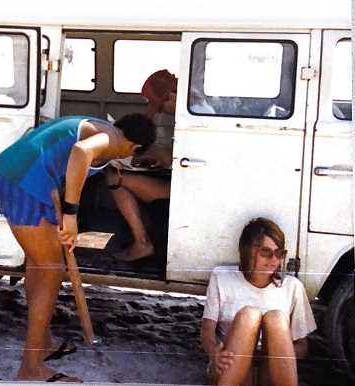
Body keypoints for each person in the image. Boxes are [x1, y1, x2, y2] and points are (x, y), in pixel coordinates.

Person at [0, 114, 157, 382]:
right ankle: (30, 369)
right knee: (52, 270)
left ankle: (43, 342)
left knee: (39, 264)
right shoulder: (110, 139)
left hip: (23, 180)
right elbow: (80, 152)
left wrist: (57, 205)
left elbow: (53, 161)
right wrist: (70, 215)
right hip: (22, 184)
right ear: (134, 148)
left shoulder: (100, 125)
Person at [200, 217, 317, 386]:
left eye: (279, 253)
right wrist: (214, 352)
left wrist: (268, 352)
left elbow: (302, 348)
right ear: (248, 251)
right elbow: (206, 333)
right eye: (266, 252)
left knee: (276, 318)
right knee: (249, 315)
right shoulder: (221, 277)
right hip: (230, 363)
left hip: (270, 369)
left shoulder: (292, 287)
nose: (273, 260)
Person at [106, 69, 175, 261]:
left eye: (160, 107)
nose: (160, 112)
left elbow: (170, 157)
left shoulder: (191, 117)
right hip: (179, 181)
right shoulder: (197, 111)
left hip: (185, 190)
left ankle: (142, 243)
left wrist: (139, 144)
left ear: (172, 96)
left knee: (115, 179)